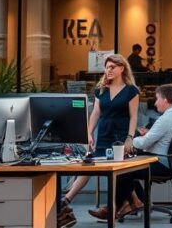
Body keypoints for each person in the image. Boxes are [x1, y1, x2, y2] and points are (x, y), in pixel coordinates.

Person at [60, 54, 140, 228]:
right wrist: (88, 133)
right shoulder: (101, 89)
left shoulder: (131, 90)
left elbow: (134, 117)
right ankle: (66, 200)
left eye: (112, 67)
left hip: (120, 135)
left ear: (122, 68)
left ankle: (115, 207)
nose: (108, 70)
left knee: (118, 173)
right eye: (107, 67)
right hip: (103, 134)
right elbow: (96, 113)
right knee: (90, 166)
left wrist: (130, 138)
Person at [88, 84, 172, 221]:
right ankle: (137, 201)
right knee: (128, 167)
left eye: (157, 99)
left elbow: (145, 143)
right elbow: (157, 138)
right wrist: (148, 134)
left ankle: (113, 208)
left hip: (160, 162)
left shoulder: (165, 120)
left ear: (165, 100)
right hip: (169, 162)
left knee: (124, 170)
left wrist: (128, 141)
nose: (155, 102)